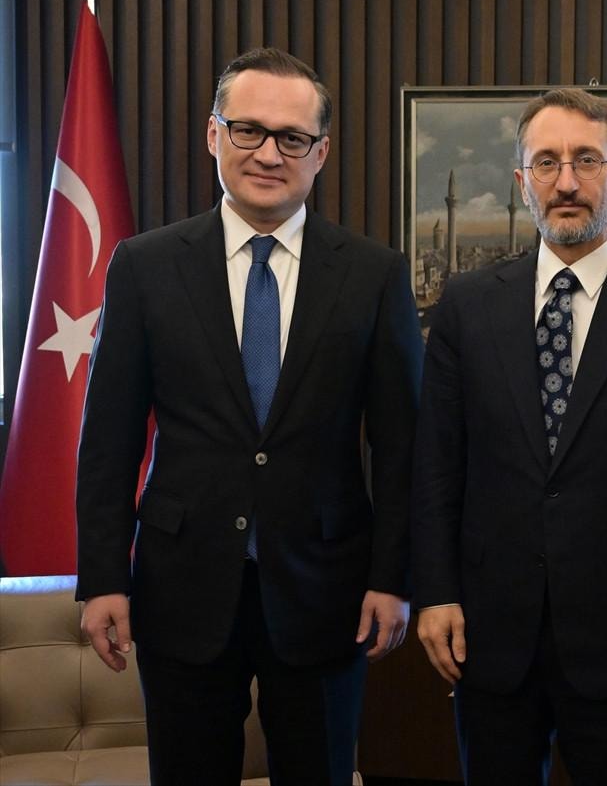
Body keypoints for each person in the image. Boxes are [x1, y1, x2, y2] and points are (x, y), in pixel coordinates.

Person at [75, 47, 423, 786]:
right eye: (249, 130)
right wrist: (103, 577)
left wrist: (394, 577)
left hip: (328, 592)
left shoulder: (374, 274)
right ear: (214, 135)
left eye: (292, 137)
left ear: (320, 152)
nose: (269, 153)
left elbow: (403, 450)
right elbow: (107, 439)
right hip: (181, 588)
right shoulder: (144, 266)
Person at [411, 88, 607, 786]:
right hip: (489, 630)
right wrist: (434, 591)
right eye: (546, 162)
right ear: (522, 180)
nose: (566, 181)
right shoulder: (467, 305)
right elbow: (435, 465)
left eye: (587, 160)